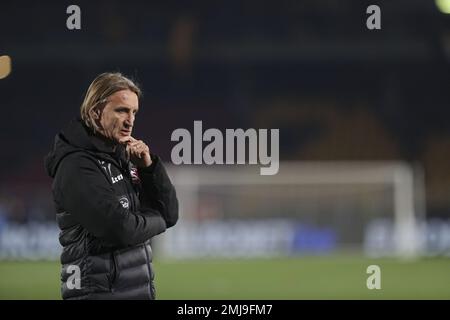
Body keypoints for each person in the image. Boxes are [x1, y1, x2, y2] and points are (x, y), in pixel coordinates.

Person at [44, 72, 178, 300]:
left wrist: (149, 168)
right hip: (99, 292)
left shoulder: (122, 156)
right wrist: (160, 220)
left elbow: (170, 212)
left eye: (134, 112)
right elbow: (121, 230)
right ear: (95, 111)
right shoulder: (76, 166)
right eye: (122, 110)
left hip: (134, 290)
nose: (130, 120)